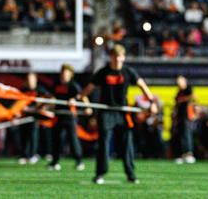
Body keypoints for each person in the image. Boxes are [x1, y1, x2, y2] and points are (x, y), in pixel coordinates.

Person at [79, 44, 158, 184]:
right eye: (114, 57)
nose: (117, 60)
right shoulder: (103, 72)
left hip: (123, 112)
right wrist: (82, 102)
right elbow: (87, 90)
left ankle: (131, 174)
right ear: (111, 57)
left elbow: (142, 85)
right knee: (103, 143)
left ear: (123, 57)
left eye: (119, 57)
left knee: (127, 143)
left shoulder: (128, 71)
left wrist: (152, 102)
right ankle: (100, 174)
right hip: (106, 112)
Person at [49, 64, 86, 171]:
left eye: (67, 73)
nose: (64, 75)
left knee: (73, 139)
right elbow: (51, 96)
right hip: (58, 115)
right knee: (57, 139)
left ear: (70, 75)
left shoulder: (73, 85)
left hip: (69, 116)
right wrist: (45, 106)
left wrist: (85, 106)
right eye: (63, 73)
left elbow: (82, 95)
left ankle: (79, 161)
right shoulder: (56, 85)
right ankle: (55, 161)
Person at [19, 72, 49, 165]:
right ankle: (24, 155)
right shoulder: (23, 90)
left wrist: (41, 108)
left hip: (35, 117)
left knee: (33, 135)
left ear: (35, 80)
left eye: (32, 79)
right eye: (28, 79)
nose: (30, 81)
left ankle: (33, 155)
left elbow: (48, 101)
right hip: (25, 116)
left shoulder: (41, 90)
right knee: (23, 135)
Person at [173, 75, 196, 164]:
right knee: (181, 135)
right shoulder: (179, 91)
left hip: (187, 115)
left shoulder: (188, 89)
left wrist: (181, 100)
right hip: (180, 116)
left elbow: (193, 97)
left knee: (187, 134)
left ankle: (189, 153)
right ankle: (183, 154)